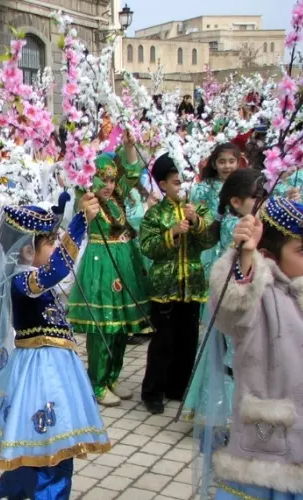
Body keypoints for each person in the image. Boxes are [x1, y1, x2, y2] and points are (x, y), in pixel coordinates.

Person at [0, 192, 109, 500]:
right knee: (49, 450)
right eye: (50, 242)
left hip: (55, 370)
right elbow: (56, 270)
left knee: (42, 449)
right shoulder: (22, 283)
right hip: (39, 374)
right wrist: (80, 223)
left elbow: (57, 271)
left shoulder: (33, 278)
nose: (56, 245)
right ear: (25, 250)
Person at [199, 196, 303, 500]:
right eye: (301, 251)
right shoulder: (261, 297)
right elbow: (231, 305)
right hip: (268, 447)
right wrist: (245, 252)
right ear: (270, 254)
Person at [67, 140, 152, 407]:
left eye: (111, 180)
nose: (108, 185)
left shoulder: (117, 199)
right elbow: (77, 225)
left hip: (124, 263)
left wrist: (129, 144)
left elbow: (132, 169)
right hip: (100, 265)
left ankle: (113, 376)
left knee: (121, 327)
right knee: (103, 326)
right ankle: (97, 382)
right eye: (101, 180)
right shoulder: (86, 199)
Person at [182, 168, 262, 423]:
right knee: (228, 354)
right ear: (236, 202)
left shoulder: (243, 220)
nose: (261, 202)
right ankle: (225, 413)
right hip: (232, 295)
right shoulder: (236, 225)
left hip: (238, 293)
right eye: (256, 197)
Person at [139, 154, 216, 414]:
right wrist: (172, 232)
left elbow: (208, 242)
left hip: (192, 285)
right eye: (174, 183)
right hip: (165, 287)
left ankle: (178, 387)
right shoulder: (155, 215)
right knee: (163, 342)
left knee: (188, 340)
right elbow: (148, 247)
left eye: (181, 182)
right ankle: (153, 392)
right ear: (162, 185)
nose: (179, 187)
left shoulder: (196, 209)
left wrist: (195, 223)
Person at [191, 142, 241, 277]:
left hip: (233, 234)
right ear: (214, 164)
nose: (227, 166)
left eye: (231, 161)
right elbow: (192, 197)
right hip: (212, 233)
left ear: (238, 163)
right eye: (222, 162)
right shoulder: (208, 185)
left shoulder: (242, 185)